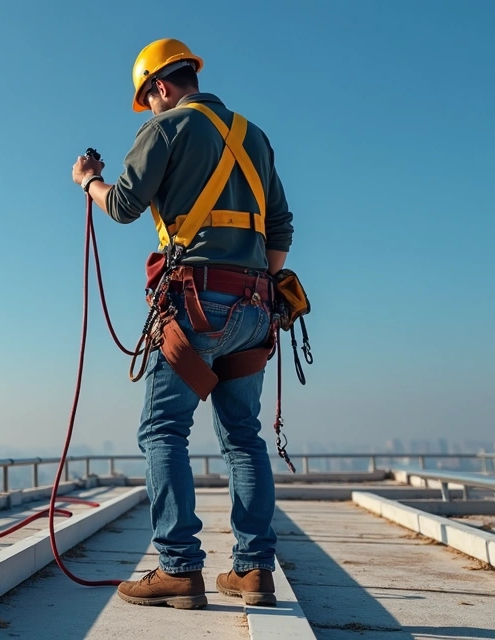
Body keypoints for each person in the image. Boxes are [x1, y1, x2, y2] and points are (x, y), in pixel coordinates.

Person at [70, 38, 294, 610]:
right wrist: (260, 291)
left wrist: (87, 181)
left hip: (196, 302)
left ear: (160, 88)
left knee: (163, 431)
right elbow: (281, 228)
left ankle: (177, 568)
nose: (148, 109)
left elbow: (122, 204)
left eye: (147, 100)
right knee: (244, 438)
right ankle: (252, 571)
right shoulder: (253, 135)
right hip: (255, 305)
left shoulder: (166, 128)